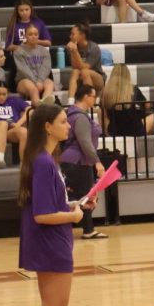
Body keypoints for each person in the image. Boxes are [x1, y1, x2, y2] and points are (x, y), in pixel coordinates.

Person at [0, 104, 92, 306]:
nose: (68, 126)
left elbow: (49, 205)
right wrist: (74, 217)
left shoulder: (45, 160)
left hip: (50, 241)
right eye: (63, 122)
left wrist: (75, 204)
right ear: (47, 127)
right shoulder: (44, 162)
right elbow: (42, 215)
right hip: (50, 242)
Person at [60, 85, 105, 241]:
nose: (95, 99)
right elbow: (85, 142)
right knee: (84, 197)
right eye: (93, 96)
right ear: (86, 96)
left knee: (81, 196)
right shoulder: (80, 117)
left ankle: (87, 229)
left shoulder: (73, 113)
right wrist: (97, 162)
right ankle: (85, 229)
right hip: (77, 161)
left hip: (73, 161)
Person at [101, 63, 154, 137]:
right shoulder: (133, 89)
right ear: (128, 75)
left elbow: (104, 113)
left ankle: (107, 134)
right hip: (134, 130)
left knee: (101, 112)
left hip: (114, 130)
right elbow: (147, 105)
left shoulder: (106, 91)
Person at [13, 24, 55, 105]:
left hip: (41, 79)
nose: (33, 36)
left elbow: (46, 68)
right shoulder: (18, 51)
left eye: (35, 34)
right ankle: (37, 107)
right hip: (24, 79)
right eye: (30, 34)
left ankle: (45, 103)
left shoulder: (44, 51)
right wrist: (36, 82)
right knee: (33, 89)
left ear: (38, 35)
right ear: (25, 36)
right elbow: (23, 69)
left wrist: (40, 80)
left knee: (50, 84)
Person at [0, 81, 29, 168]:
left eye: (4, 94)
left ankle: (24, 163)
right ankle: (0, 160)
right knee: (3, 124)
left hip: (10, 131)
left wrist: (18, 124)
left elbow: (29, 109)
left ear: (8, 94)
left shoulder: (13, 101)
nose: (1, 97)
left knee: (24, 131)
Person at [66, 21, 105, 98]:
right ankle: (70, 101)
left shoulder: (94, 48)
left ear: (82, 35)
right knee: (75, 71)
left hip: (98, 78)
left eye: (73, 34)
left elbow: (84, 67)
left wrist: (75, 51)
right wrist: (72, 51)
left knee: (85, 72)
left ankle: (89, 100)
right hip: (81, 77)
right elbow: (74, 66)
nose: (70, 36)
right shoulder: (72, 47)